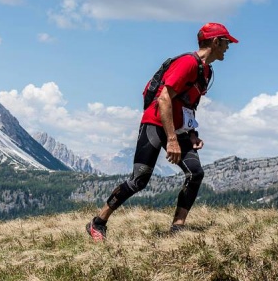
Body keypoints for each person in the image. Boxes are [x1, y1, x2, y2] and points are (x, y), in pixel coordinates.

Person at [86, 22, 238, 241]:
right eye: (226, 42)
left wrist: (192, 132)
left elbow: (188, 103)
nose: (228, 47)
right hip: (155, 123)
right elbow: (164, 98)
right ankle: (98, 222)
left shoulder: (206, 70)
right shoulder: (187, 63)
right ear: (215, 42)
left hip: (178, 129)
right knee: (139, 180)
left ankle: (177, 228)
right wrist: (172, 139)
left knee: (195, 173)